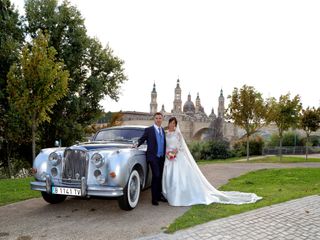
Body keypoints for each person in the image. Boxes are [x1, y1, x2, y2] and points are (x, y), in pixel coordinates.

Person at [162, 117, 262, 206]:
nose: (172, 125)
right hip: (169, 157)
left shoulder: (178, 134)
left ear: (176, 124)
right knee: (170, 177)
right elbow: (165, 145)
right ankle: (171, 195)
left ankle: (180, 196)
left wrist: (175, 152)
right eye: (171, 123)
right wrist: (168, 153)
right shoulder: (166, 134)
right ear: (169, 124)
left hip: (177, 157)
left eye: (174, 123)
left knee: (179, 177)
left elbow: (180, 146)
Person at [135, 112, 167, 206]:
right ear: (154, 119)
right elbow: (142, 139)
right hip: (153, 157)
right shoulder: (149, 130)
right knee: (156, 175)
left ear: (162, 119)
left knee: (160, 176)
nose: (158, 120)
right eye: (156, 118)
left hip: (161, 157)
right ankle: (154, 198)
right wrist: (136, 145)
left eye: (160, 118)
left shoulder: (163, 131)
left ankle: (159, 195)